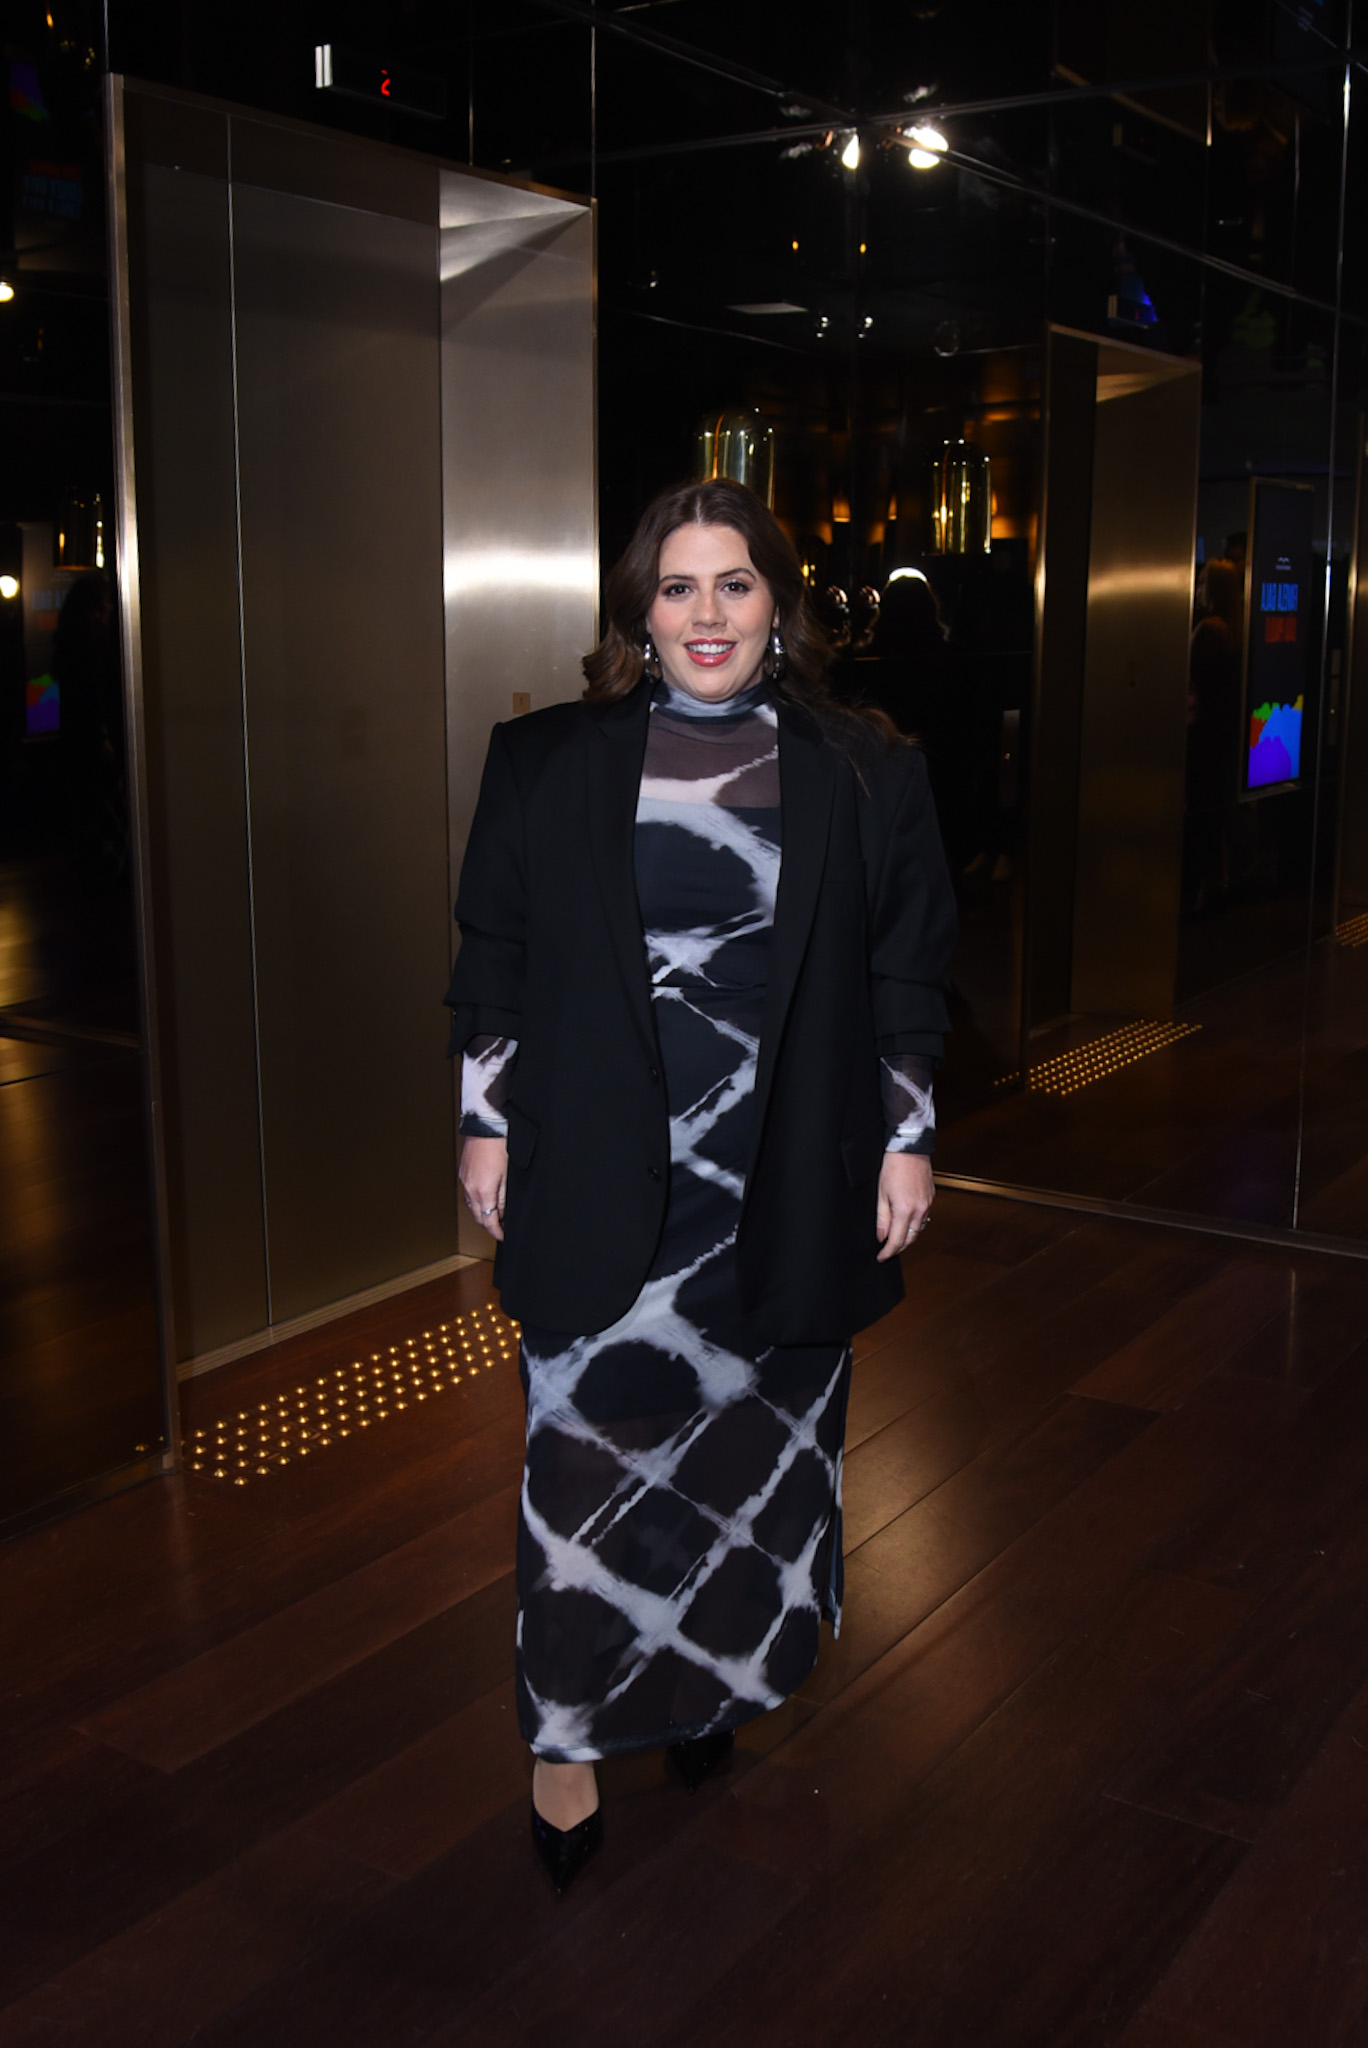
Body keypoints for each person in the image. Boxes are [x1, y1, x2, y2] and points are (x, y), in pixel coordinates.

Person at [445, 478, 957, 1894]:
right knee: (583, 1465)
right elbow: (494, 954)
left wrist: (906, 1135)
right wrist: (487, 1123)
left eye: (735, 583)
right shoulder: (546, 760)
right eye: (678, 587)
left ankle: (705, 1686)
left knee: (746, 1462)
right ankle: (566, 1740)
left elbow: (904, 970)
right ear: (641, 611)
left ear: (778, 603)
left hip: (780, 1176)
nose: (708, 613)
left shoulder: (865, 768)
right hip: (599, 1166)